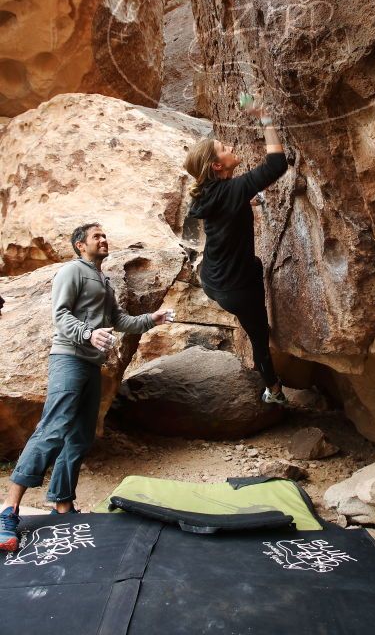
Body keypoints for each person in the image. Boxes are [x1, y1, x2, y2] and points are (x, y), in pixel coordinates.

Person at [0, 223, 173, 552]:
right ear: (81, 245)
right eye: (97, 236)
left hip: (90, 366)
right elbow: (60, 314)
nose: (104, 239)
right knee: (54, 428)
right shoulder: (72, 272)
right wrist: (87, 334)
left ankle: (63, 504)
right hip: (68, 359)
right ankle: (9, 509)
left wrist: (154, 318)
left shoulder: (103, 280)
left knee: (80, 435)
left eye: (105, 235)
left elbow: (120, 320)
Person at [185, 97, 288, 406]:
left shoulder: (209, 194)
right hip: (235, 289)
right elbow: (276, 164)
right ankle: (275, 391)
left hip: (212, 282)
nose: (229, 146)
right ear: (218, 165)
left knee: (255, 267)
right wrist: (266, 117)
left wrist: (245, 201)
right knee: (260, 337)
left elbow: (225, 208)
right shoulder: (234, 189)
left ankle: (255, 323)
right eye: (223, 148)